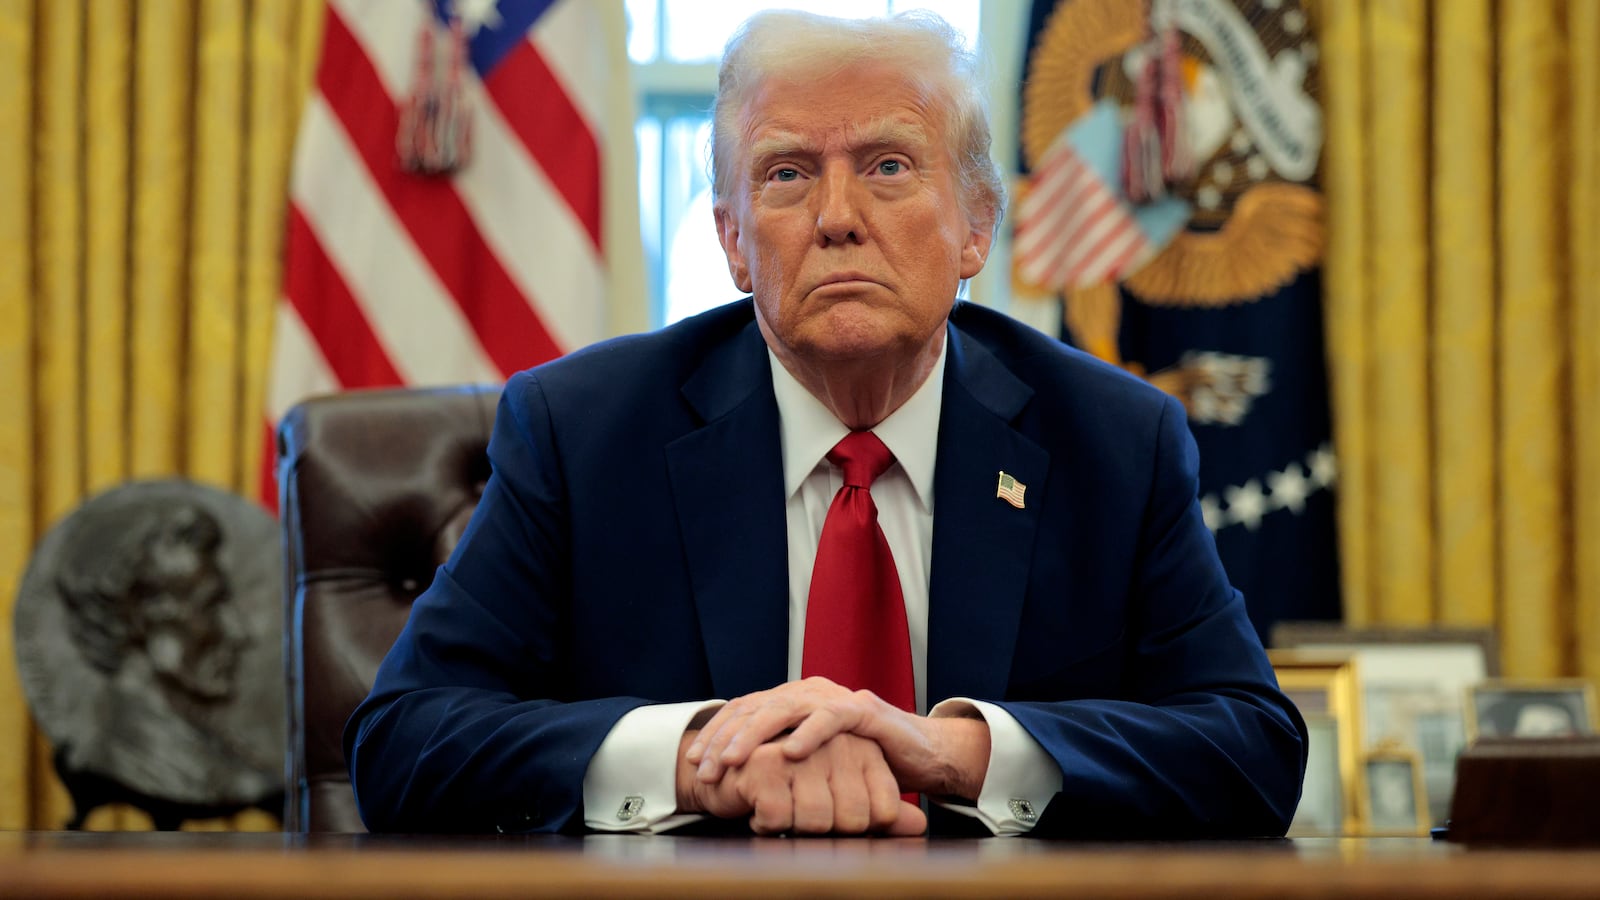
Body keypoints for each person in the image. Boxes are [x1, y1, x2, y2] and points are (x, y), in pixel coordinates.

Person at [345, 10, 1306, 838]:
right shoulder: (582, 430)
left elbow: (1251, 747)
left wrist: (955, 751)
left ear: (976, 224)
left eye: (888, 166)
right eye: (786, 175)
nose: (836, 217)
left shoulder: (1114, 440)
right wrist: (702, 759)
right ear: (732, 239)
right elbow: (404, 740)